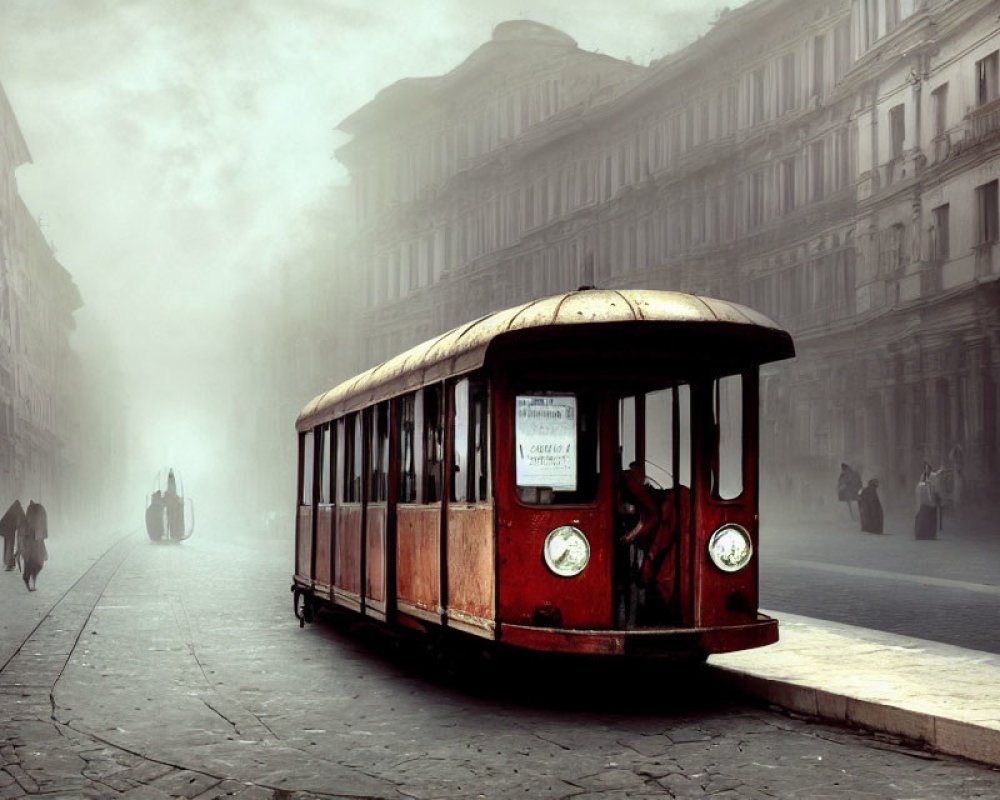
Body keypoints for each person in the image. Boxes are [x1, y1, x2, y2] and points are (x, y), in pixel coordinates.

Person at [18, 500, 48, 591]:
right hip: (29, 550)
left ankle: (32, 580)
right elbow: (21, 537)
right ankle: (28, 582)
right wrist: (22, 549)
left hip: (37, 550)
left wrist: (44, 552)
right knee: (30, 565)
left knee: (39, 565)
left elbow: (41, 539)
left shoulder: (37, 524)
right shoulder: (25, 523)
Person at [915, 462, 939, 540]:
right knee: (923, 517)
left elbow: (936, 486)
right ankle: (922, 534)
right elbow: (920, 485)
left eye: (928, 469)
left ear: (931, 469)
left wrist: (930, 484)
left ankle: (931, 535)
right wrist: (925, 484)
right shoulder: (923, 476)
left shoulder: (934, 476)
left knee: (932, 518)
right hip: (924, 500)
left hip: (932, 500)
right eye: (926, 469)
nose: (927, 470)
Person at [0, 499, 24, 571]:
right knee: (10, 545)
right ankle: (9, 563)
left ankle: (7, 562)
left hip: (9, 529)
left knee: (8, 545)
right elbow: (20, 522)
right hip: (10, 529)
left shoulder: (13, 509)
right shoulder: (17, 510)